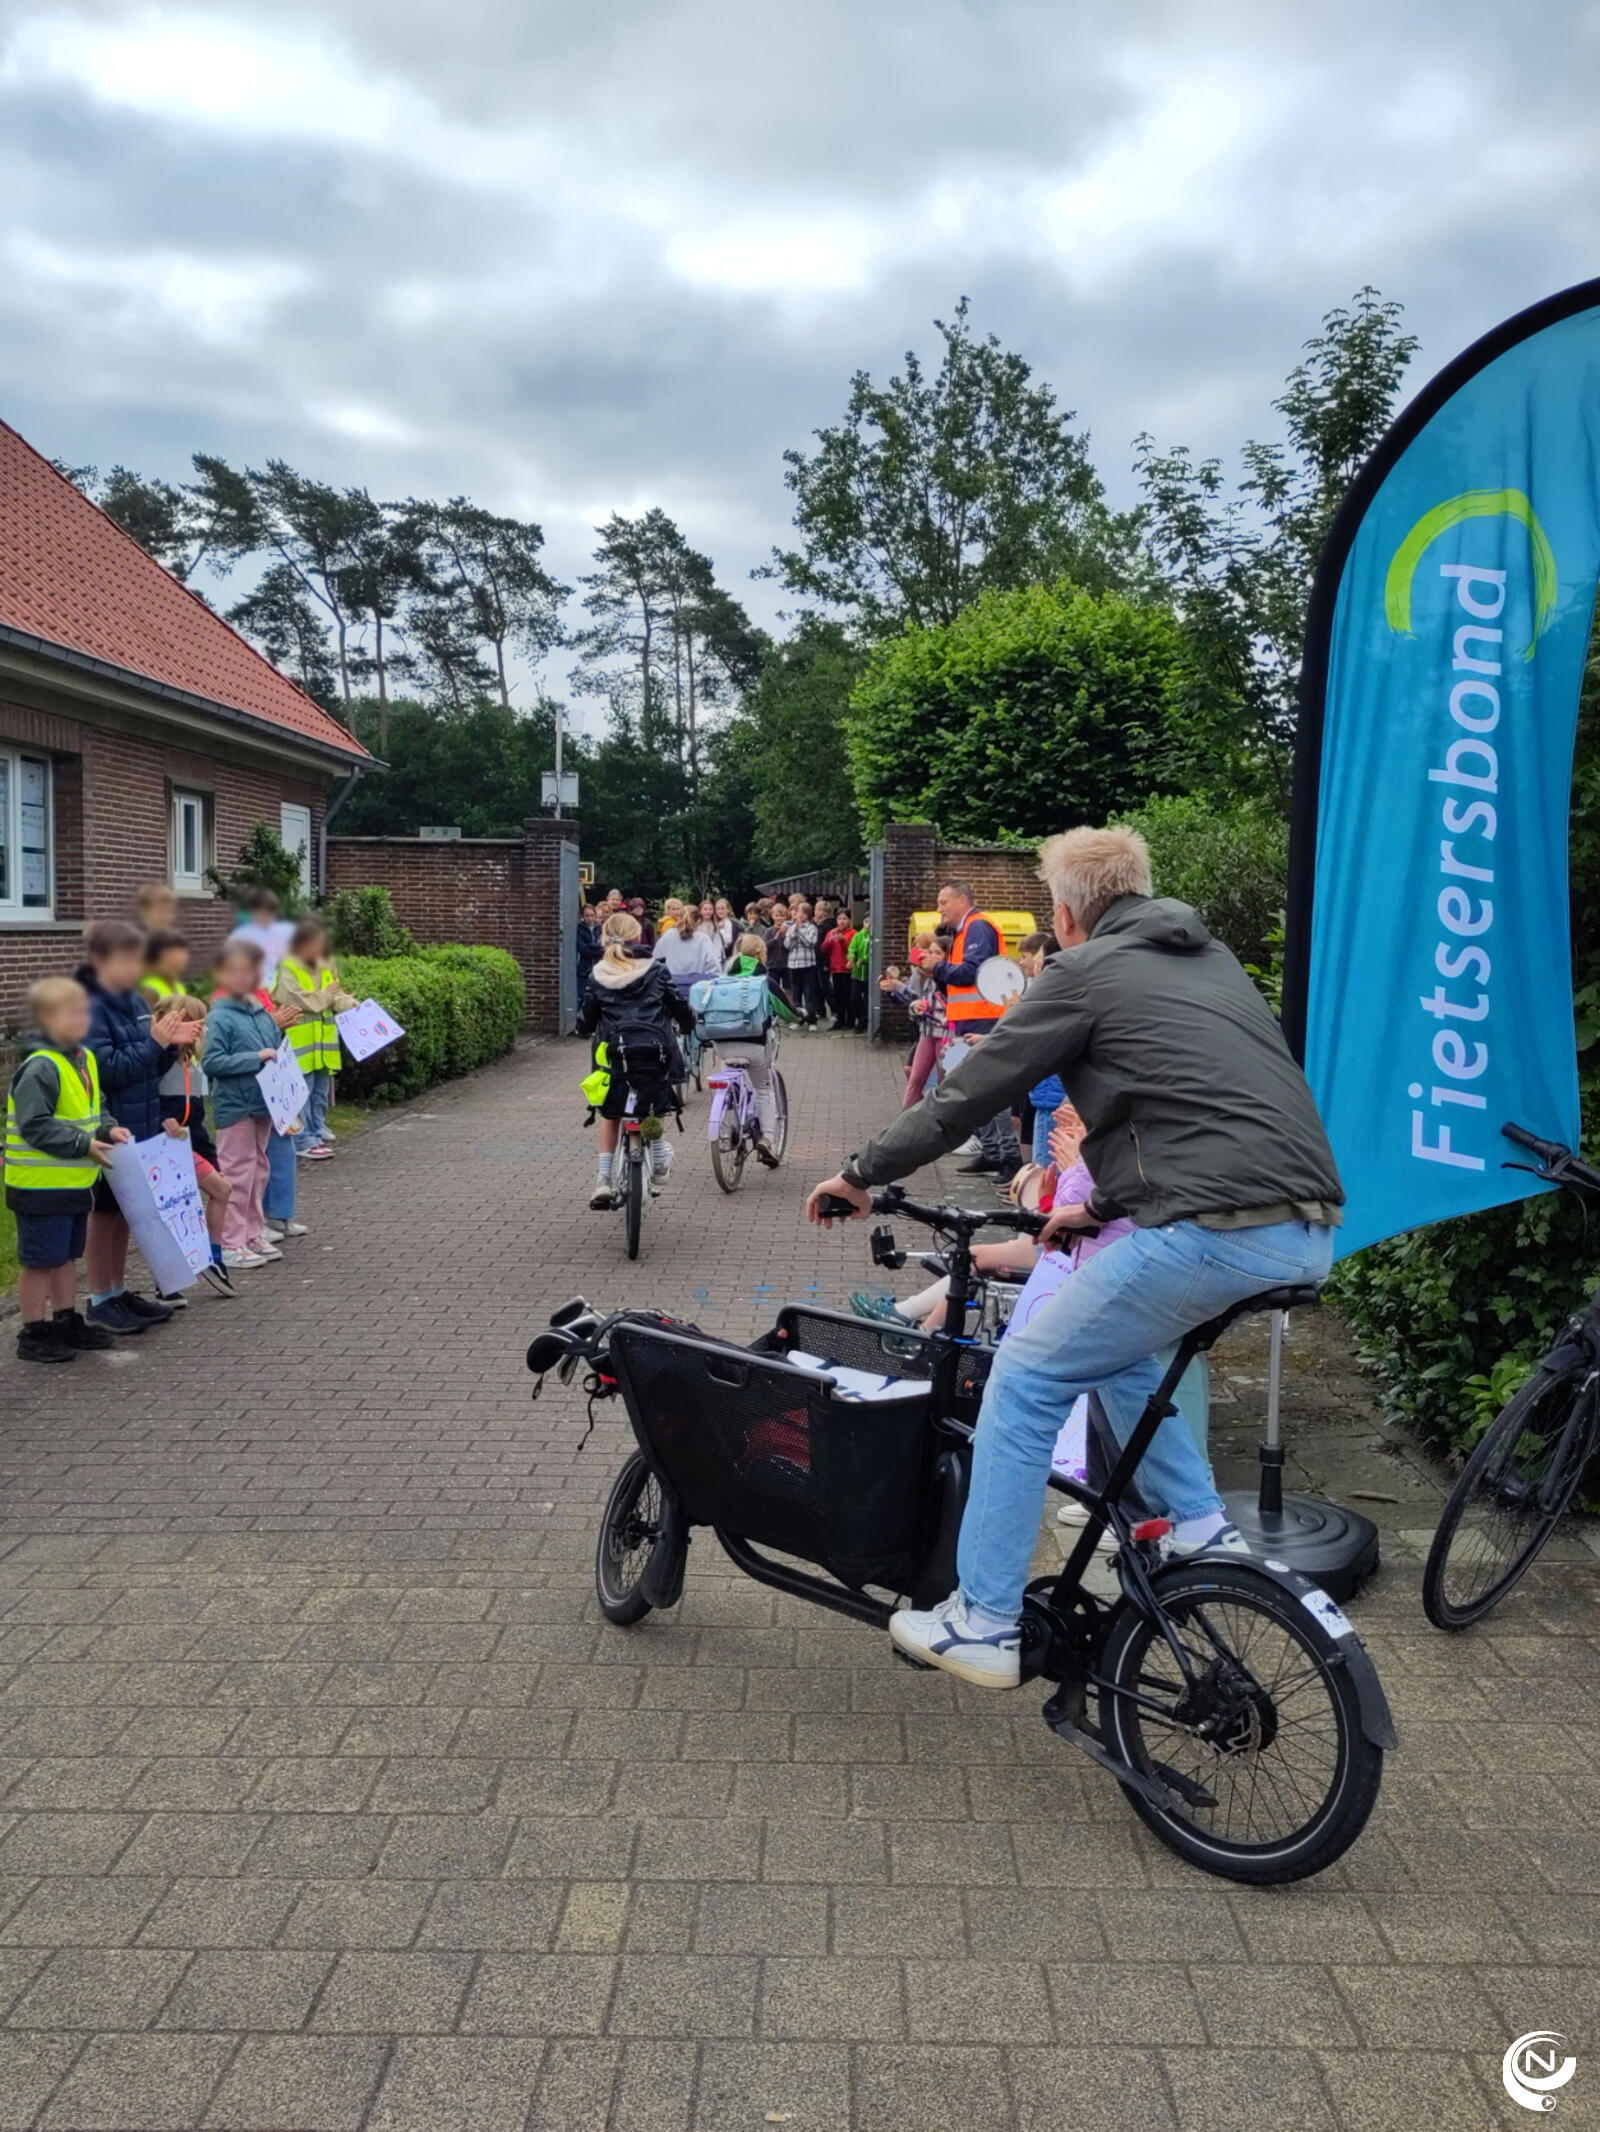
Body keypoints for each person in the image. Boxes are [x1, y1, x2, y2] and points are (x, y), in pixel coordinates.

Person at [806, 824, 1344, 1690]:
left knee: (1024, 1376)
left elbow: (969, 1093)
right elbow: (1195, 1117)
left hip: (1213, 1233)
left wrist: (860, 1175)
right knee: (1120, 1353)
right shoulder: (1216, 965)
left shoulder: (1083, 971)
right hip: (1305, 1229)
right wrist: (1095, 1205)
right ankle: (1201, 1532)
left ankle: (985, 1620)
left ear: (1063, 913)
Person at [79, 919, 192, 1334]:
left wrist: (171, 1045)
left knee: (126, 1211)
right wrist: (154, 1044)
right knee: (104, 1213)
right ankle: (99, 1296)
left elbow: (145, 1068)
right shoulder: (89, 1006)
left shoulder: (134, 1001)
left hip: (138, 1125)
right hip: (110, 1128)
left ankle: (119, 1290)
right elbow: (104, 1071)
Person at [4, 977, 125, 1362]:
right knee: (41, 1260)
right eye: (73, 1014)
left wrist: (108, 1127)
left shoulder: (82, 1058)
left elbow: (95, 1106)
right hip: (40, 1184)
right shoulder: (41, 1065)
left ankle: (65, 1319)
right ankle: (33, 1332)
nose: (82, 1020)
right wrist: (83, 1144)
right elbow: (34, 1123)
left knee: (65, 1255)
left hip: (73, 1181)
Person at [577, 913, 694, 1209]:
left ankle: (603, 1179)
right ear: (638, 936)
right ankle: (657, 1158)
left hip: (613, 1056)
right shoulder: (656, 970)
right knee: (654, 1097)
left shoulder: (598, 974)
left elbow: (587, 1018)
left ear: (605, 937)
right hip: (655, 1053)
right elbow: (677, 1005)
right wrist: (689, 1023)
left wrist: (583, 1028)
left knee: (610, 1111)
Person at [204, 940, 291, 1269]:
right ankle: (229, 1240)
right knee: (236, 1172)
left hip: (263, 1103)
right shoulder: (220, 1016)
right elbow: (212, 1062)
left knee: (258, 1170)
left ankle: (252, 1231)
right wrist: (254, 1058)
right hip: (235, 1106)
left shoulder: (261, 1014)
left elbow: (277, 1051)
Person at [929, 880, 1019, 1176]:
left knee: (989, 1091)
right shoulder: (963, 931)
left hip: (984, 1018)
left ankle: (1008, 1157)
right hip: (970, 1018)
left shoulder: (978, 927)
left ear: (962, 900)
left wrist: (938, 968)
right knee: (976, 1091)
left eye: (944, 902)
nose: (939, 908)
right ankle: (993, 1152)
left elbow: (972, 971)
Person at [155, 991, 236, 1299]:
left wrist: (210, 1154)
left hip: (189, 1141)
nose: (194, 1029)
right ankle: (211, 1259)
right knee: (217, 1191)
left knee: (205, 1195)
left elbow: (196, 1116)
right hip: (166, 1143)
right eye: (186, 1022)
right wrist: (162, 1120)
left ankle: (172, 1280)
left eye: (198, 1023)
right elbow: (147, 1099)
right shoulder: (160, 1062)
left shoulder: (192, 1063)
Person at [274, 916, 355, 1160]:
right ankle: (302, 1139)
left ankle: (316, 1128)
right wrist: (327, 996)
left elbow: (335, 994)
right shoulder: (288, 966)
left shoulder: (326, 963)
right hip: (300, 1040)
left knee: (320, 1090)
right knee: (300, 1091)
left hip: (323, 1040)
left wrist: (351, 1004)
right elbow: (297, 999)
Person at [227, 888, 293, 987]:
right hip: (252, 988)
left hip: (280, 988)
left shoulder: (285, 931)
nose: (265, 917)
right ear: (253, 912)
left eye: (269, 913)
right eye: (261, 912)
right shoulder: (240, 936)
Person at [653, 902, 721, 991]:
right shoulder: (703, 939)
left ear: (679, 918)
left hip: (671, 989)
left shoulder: (668, 935)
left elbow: (655, 961)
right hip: (696, 990)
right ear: (699, 920)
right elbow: (714, 969)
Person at [785, 899, 822, 1026]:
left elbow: (810, 942)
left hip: (807, 965)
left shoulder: (811, 928)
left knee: (809, 993)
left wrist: (799, 933)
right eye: (798, 912)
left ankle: (811, 1020)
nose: (800, 915)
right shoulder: (791, 928)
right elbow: (787, 945)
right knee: (796, 994)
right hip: (793, 965)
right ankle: (798, 1018)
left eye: (804, 913)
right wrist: (793, 935)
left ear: (808, 915)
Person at [822, 909, 855, 1029]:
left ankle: (850, 1021)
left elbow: (851, 949)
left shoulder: (852, 933)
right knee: (838, 996)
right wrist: (829, 942)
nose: (842, 921)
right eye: (840, 919)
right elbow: (824, 949)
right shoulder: (831, 932)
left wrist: (842, 941)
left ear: (849, 920)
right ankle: (839, 1020)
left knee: (848, 996)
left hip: (847, 969)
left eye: (844, 919)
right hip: (835, 969)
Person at [140, 930, 192, 1002]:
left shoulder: (178, 986)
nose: (185, 956)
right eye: (179, 951)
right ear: (161, 954)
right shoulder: (149, 989)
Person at [847, 912, 872, 1032]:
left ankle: (863, 1022)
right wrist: (851, 958)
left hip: (868, 973)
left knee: (868, 998)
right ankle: (861, 1017)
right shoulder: (858, 935)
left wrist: (864, 960)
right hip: (857, 973)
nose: (868, 924)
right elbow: (852, 948)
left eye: (871, 922)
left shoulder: (874, 937)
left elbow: (872, 953)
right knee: (854, 998)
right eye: (866, 921)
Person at [576, 903, 604, 997]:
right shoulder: (579, 929)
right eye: (587, 915)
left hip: (599, 967)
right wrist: (596, 948)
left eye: (592, 915)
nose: (590, 918)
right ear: (582, 916)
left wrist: (592, 946)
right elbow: (583, 949)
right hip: (584, 968)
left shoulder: (600, 929)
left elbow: (603, 947)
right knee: (582, 995)